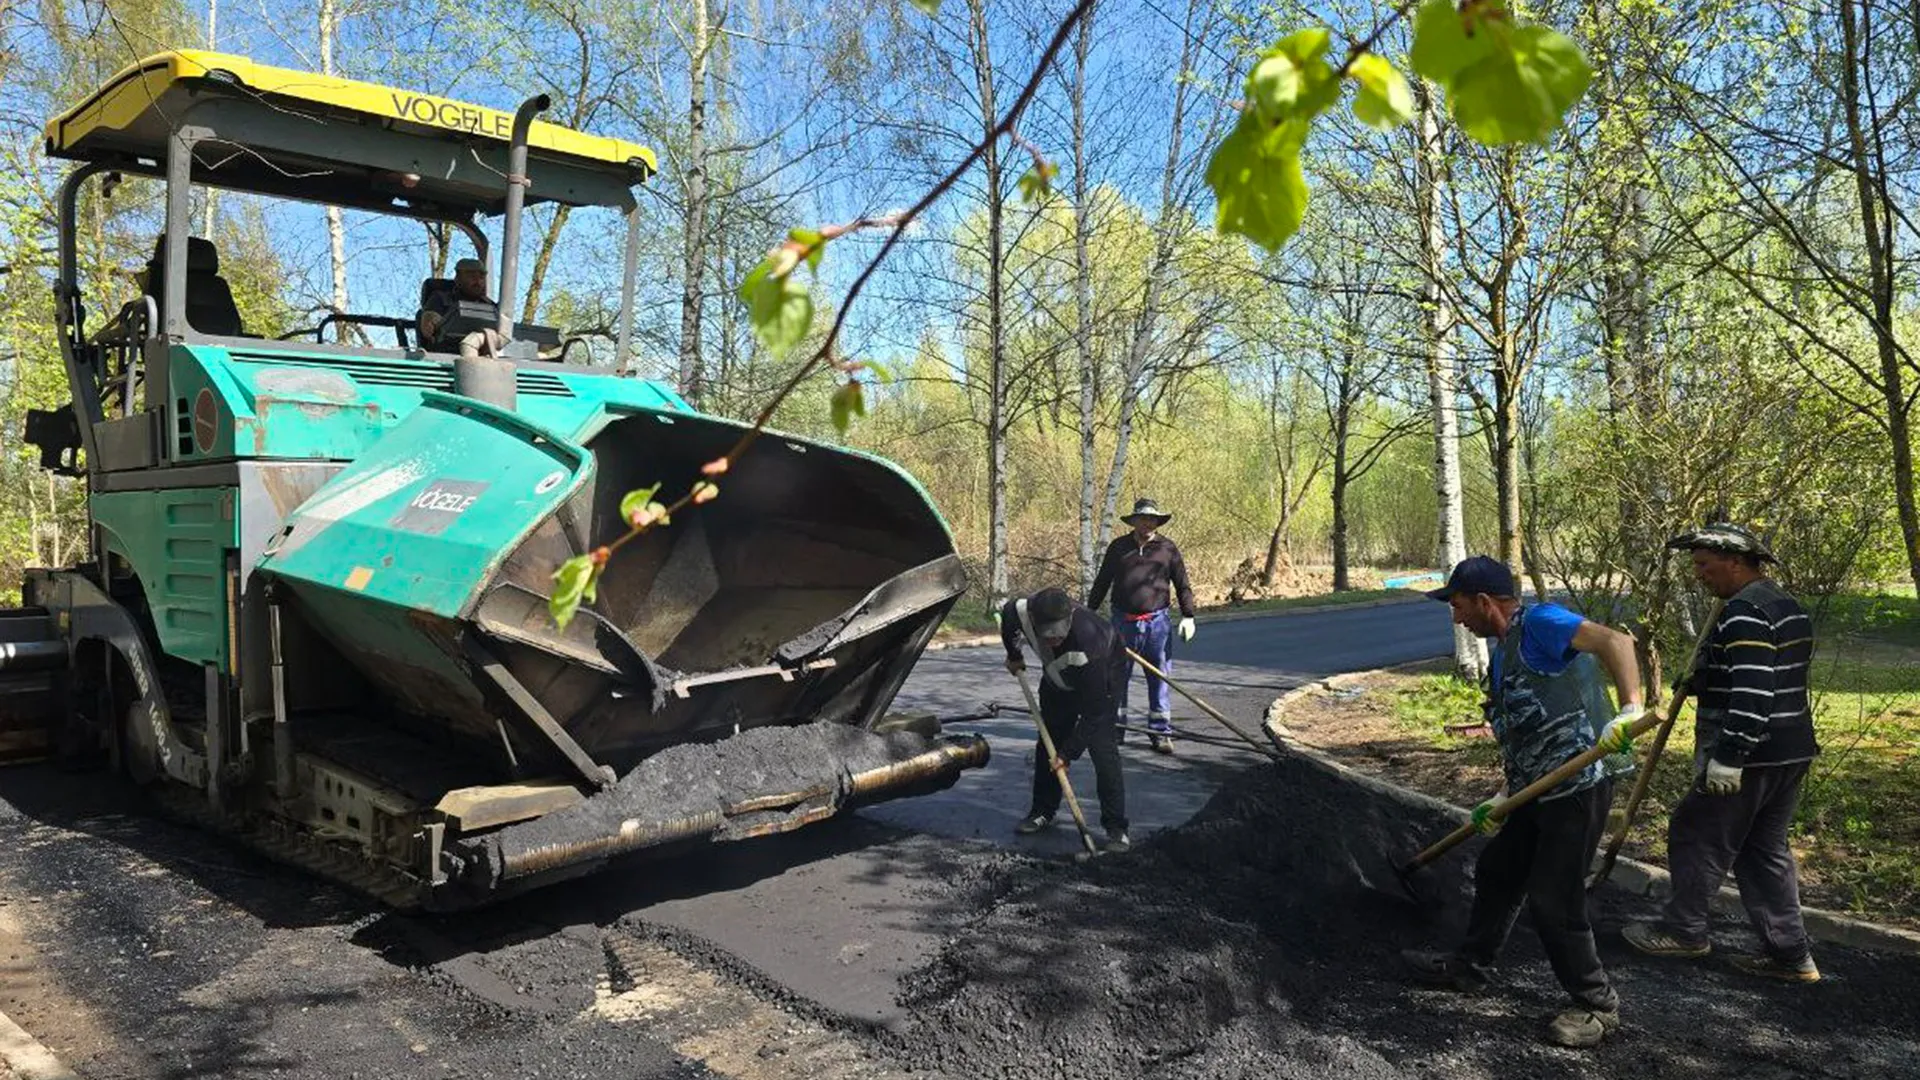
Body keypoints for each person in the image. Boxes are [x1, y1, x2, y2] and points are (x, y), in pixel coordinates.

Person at [1400, 555, 1645, 1049]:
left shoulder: (1540, 623)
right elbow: (1523, 732)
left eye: (1458, 604)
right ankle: (1471, 967)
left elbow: (1615, 641)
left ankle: (1597, 1004)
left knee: (1554, 897)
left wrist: (1630, 709)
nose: (1456, 616)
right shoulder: (1502, 656)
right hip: (1536, 789)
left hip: (1579, 786)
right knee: (1498, 870)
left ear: (1485, 601)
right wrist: (1503, 795)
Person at [1621, 522, 1821, 982]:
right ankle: (1791, 955)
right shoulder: (1784, 605)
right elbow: (1770, 672)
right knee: (1762, 850)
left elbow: (1754, 691)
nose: (1699, 574)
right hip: (1791, 749)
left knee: (1696, 833)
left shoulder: (1745, 613)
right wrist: (1703, 679)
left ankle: (1684, 931)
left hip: (1752, 753)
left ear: (1734, 561)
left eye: (1704, 564)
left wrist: (1730, 756)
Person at [1001, 586, 1131, 852]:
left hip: (1102, 681)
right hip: (1057, 679)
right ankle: (1043, 810)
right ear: (1035, 621)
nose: (1054, 640)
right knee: (1048, 742)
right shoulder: (1022, 611)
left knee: (1102, 750)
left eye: (1059, 635)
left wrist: (1068, 754)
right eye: (1048, 635)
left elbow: (1094, 712)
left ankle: (1116, 828)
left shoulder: (1091, 641)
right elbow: (1008, 617)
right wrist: (1014, 656)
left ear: (1070, 617)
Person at [1087, 498, 1197, 754]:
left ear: (1157, 522)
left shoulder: (1167, 549)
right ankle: (1116, 730)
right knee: (1116, 678)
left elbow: (1182, 583)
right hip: (1122, 623)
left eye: (1151, 519)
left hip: (1157, 624)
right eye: (1142, 518)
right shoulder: (1119, 547)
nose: (1146, 523)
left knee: (1159, 678)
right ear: (1134, 521)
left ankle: (1159, 732)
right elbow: (1103, 581)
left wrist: (1188, 615)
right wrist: (1088, 613)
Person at [418, 258, 496, 346]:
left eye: (481, 277)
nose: (478, 282)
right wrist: (430, 319)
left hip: (484, 353)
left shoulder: (490, 306)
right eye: (472, 277)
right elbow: (430, 319)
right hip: (447, 353)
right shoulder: (441, 298)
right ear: (458, 277)